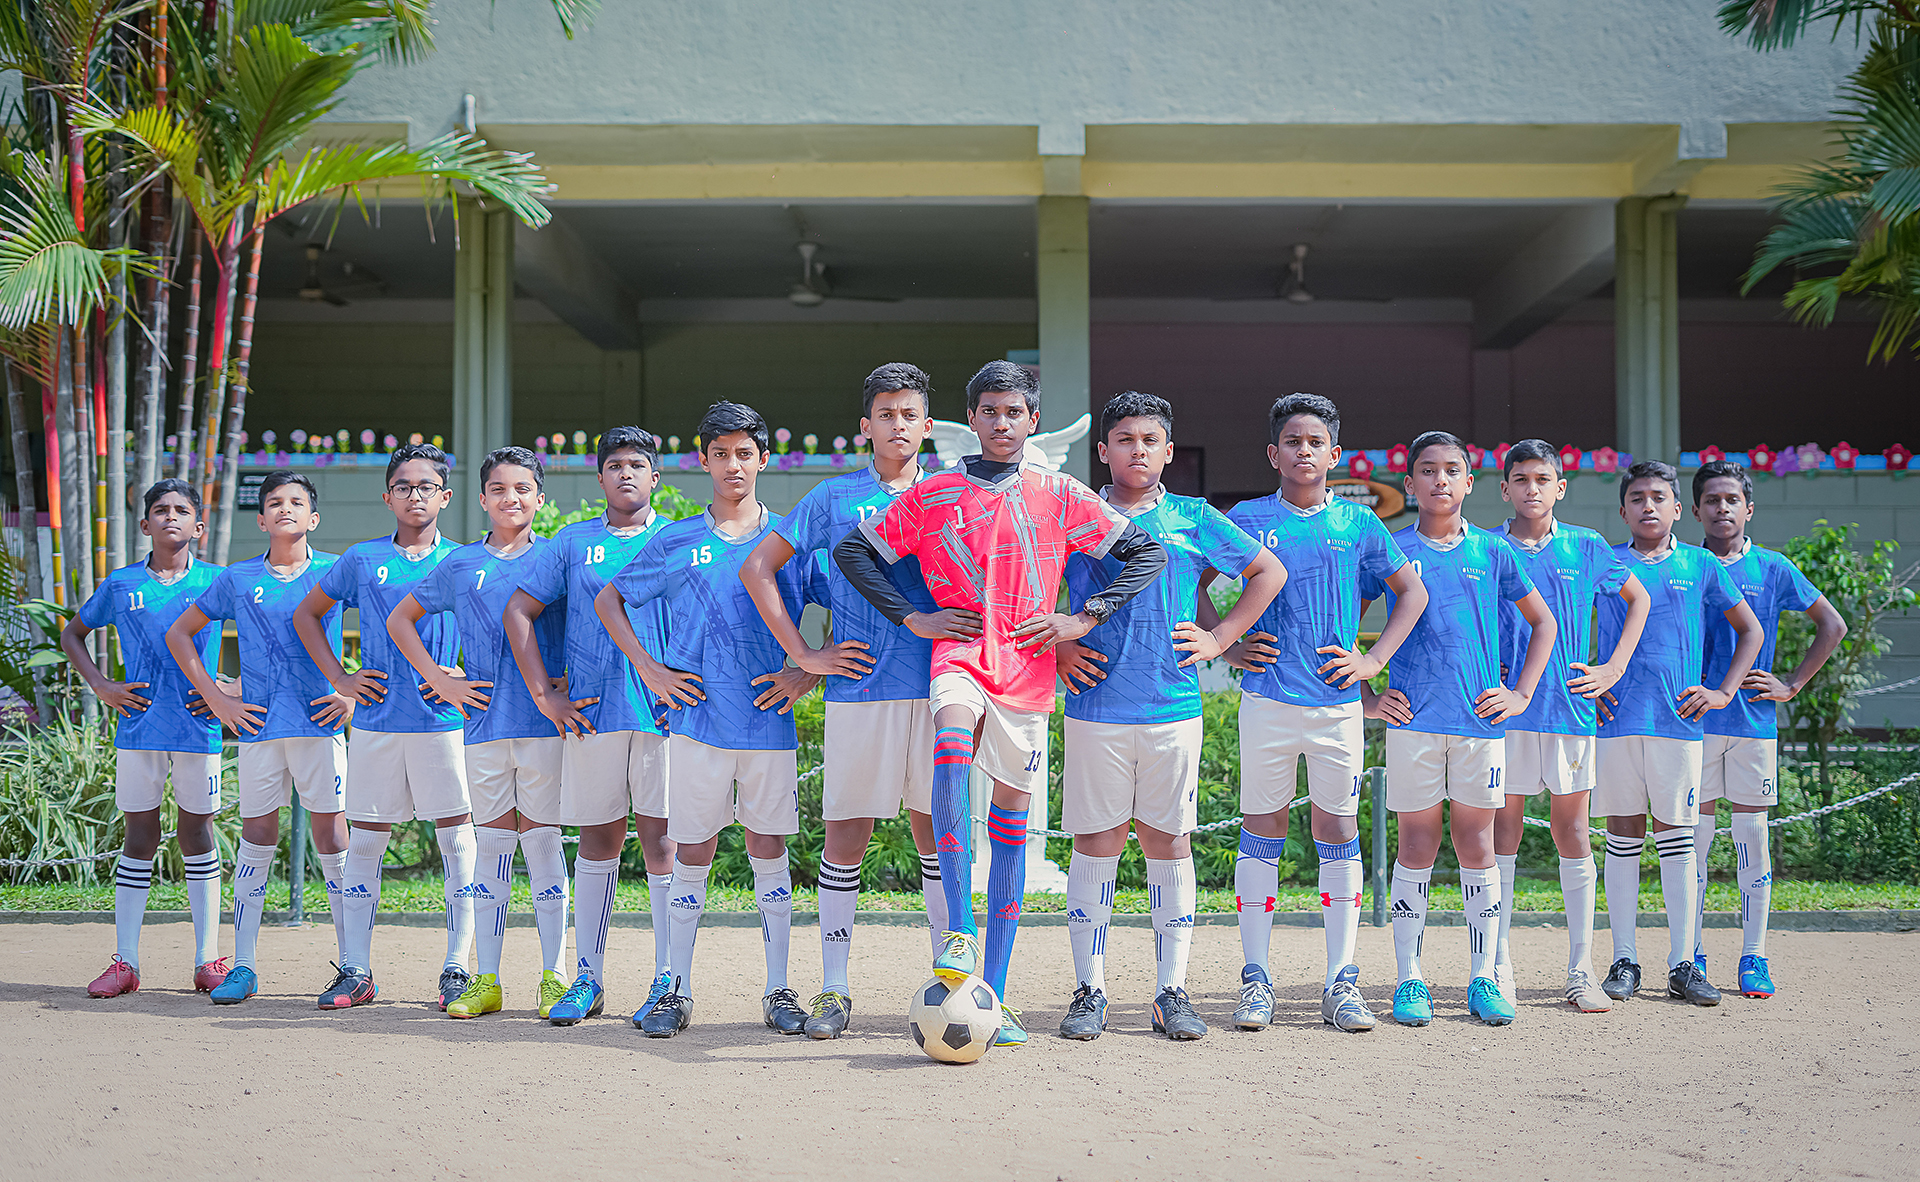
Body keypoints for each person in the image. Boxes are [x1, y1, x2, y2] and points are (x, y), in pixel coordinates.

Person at [834, 360, 1168, 1047]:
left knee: (1012, 823)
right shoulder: (934, 493)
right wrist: (912, 618)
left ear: (1032, 420)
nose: (1001, 422)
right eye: (989, 410)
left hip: (1028, 670)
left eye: (1014, 412)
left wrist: (1082, 619)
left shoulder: (1061, 492)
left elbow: (1146, 554)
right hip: (957, 655)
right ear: (971, 419)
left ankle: (996, 994)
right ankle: (959, 930)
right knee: (950, 753)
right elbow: (854, 553)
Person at [1052, 391, 1285, 1042]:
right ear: (1103, 451)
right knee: (1096, 842)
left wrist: (1222, 639)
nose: (1138, 450)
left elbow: (1267, 572)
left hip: (1172, 705)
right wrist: (1060, 646)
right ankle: (1090, 990)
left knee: (1169, 842)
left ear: (1169, 451)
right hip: (1095, 704)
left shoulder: (1194, 517)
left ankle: (1170, 991)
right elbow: (1035, 586)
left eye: (1150, 440)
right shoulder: (1076, 514)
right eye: (1124, 439)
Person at [1207, 393, 1428, 1034]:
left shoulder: (1360, 523)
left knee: (1337, 828)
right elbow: (1192, 581)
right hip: (1266, 701)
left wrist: (1372, 662)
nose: (1304, 450)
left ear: (1335, 455)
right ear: (1273, 453)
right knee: (1263, 827)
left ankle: (1341, 981)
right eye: (1292, 441)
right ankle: (1256, 979)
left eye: (1316, 442)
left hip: (1336, 707)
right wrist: (1226, 643)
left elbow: (1410, 592)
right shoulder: (1247, 518)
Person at [597, 402, 818, 1039]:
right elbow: (610, 599)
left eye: (744, 453)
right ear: (703, 460)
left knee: (768, 848)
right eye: (720, 454)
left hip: (768, 721)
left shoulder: (789, 540)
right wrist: (650, 671)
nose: (732, 465)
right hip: (695, 723)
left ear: (763, 460)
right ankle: (676, 988)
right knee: (691, 850)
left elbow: (844, 603)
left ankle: (779, 989)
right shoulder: (674, 542)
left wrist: (806, 670)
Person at [739, 364, 945, 1040]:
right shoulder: (833, 498)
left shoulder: (952, 492)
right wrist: (805, 657)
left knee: (937, 836)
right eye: (885, 414)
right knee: (847, 837)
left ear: (927, 425)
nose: (897, 425)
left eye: (909, 414)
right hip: (861, 691)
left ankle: (955, 984)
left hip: (944, 689)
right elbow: (757, 568)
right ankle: (834, 988)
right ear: (866, 425)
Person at [1364, 430, 1558, 1028]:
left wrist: (1521, 693)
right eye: (1428, 470)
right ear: (1409, 484)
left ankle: (1483, 977)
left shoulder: (1495, 552)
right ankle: (1410, 979)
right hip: (1413, 722)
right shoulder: (1392, 548)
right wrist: (1367, 697)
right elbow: (1344, 619)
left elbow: (1544, 624)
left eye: (1452, 470)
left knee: (1478, 846)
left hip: (1480, 724)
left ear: (1470, 483)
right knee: (1416, 846)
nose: (1440, 480)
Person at [388, 446, 571, 1020]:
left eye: (522, 489)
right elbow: (400, 620)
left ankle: (554, 976)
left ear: (540, 498)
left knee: (543, 844)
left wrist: (572, 682)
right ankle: (487, 979)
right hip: (484, 725)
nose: (510, 498)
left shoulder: (558, 557)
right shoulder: (461, 563)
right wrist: (440, 681)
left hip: (546, 727)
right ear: (482, 498)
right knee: (492, 847)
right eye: (499, 489)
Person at [504, 426, 678, 1027]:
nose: (626, 473)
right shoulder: (573, 542)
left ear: (655, 477)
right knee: (599, 843)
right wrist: (544, 696)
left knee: (663, 844)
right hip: (592, 715)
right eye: (615, 465)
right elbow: (519, 610)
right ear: (599, 477)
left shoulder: (678, 538)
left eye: (637, 464)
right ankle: (588, 978)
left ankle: (667, 979)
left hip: (664, 715)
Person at [290, 443, 474, 1010]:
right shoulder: (361, 559)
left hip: (445, 723)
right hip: (376, 721)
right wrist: (340, 679)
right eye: (403, 486)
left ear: (445, 496)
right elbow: (307, 615)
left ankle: (457, 968)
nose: (415, 495)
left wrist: (465, 673)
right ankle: (356, 969)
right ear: (387, 496)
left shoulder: (465, 559)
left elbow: (494, 627)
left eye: (426, 486)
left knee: (458, 842)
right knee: (366, 842)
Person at [163, 471, 357, 1006]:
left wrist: (352, 694)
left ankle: (354, 966)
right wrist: (219, 699)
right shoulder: (237, 577)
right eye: (274, 502)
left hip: (319, 726)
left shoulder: (336, 570)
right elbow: (180, 634)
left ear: (314, 517)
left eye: (296, 502)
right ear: (261, 519)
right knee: (258, 837)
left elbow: (390, 624)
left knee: (333, 838)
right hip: (258, 729)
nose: (285, 509)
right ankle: (244, 965)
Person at [1491, 440, 1651, 1013]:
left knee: (1574, 833)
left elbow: (1638, 600)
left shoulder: (1586, 546)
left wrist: (1613, 668)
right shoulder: (1486, 547)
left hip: (1569, 711)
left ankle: (1581, 970)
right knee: (1502, 835)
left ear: (1560, 487)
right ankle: (1497, 967)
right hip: (1505, 714)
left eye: (1543, 479)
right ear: (1504, 489)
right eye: (1521, 479)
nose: (1531, 488)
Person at [1594, 460, 1761, 1008]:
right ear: (1623, 510)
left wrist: (1723, 691)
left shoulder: (1700, 564)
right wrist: (1589, 684)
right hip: (1615, 722)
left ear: (1676, 509)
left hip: (1680, 723)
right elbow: (1563, 621)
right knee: (1622, 837)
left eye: (1659, 497)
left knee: (1678, 838)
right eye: (1637, 497)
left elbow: (1750, 631)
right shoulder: (1605, 562)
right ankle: (1624, 960)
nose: (1648, 505)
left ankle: (1683, 965)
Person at [66, 479, 229, 998]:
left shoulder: (218, 580)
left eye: (182, 510)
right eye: (161, 510)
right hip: (139, 727)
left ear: (199, 527)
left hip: (198, 728)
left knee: (197, 834)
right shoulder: (121, 584)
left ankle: (207, 959)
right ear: (144, 525)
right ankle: (126, 962)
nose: (171, 517)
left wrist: (232, 690)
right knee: (139, 836)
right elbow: (73, 634)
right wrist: (102, 685)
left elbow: (265, 635)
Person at [1690, 459, 1845, 999]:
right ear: (1695, 511)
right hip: (1694, 723)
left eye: (1732, 500)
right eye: (1712, 500)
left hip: (1753, 721)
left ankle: (1753, 956)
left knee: (1751, 841)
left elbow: (1832, 624)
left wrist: (1793, 683)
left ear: (1749, 509)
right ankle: (1691, 954)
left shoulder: (1773, 568)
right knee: (1694, 844)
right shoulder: (1685, 564)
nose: (1722, 508)